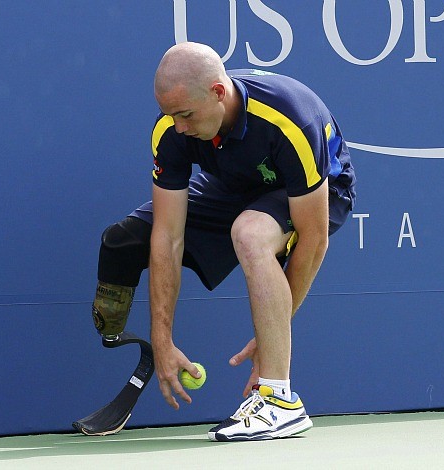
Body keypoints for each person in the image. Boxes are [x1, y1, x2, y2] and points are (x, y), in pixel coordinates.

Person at [91, 41, 356, 441]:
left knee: (249, 233)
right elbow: (167, 237)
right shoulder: (172, 129)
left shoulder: (290, 119)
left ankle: (279, 399)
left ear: (218, 92)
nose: (178, 126)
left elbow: (314, 240)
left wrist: (272, 339)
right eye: (169, 115)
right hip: (233, 185)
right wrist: (162, 341)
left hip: (317, 192)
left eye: (185, 115)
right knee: (126, 238)